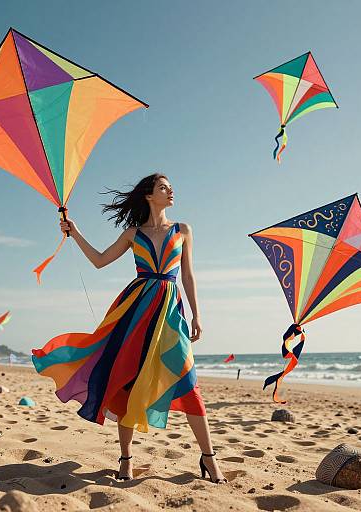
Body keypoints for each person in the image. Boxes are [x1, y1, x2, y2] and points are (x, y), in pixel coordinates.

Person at [32, 173, 226, 483]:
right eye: (163, 186)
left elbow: (188, 276)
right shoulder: (132, 233)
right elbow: (99, 261)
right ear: (149, 195)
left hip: (170, 314)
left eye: (170, 186)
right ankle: (125, 459)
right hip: (134, 313)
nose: (171, 190)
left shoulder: (183, 230)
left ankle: (209, 458)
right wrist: (76, 232)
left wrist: (196, 315)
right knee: (127, 381)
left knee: (188, 381)